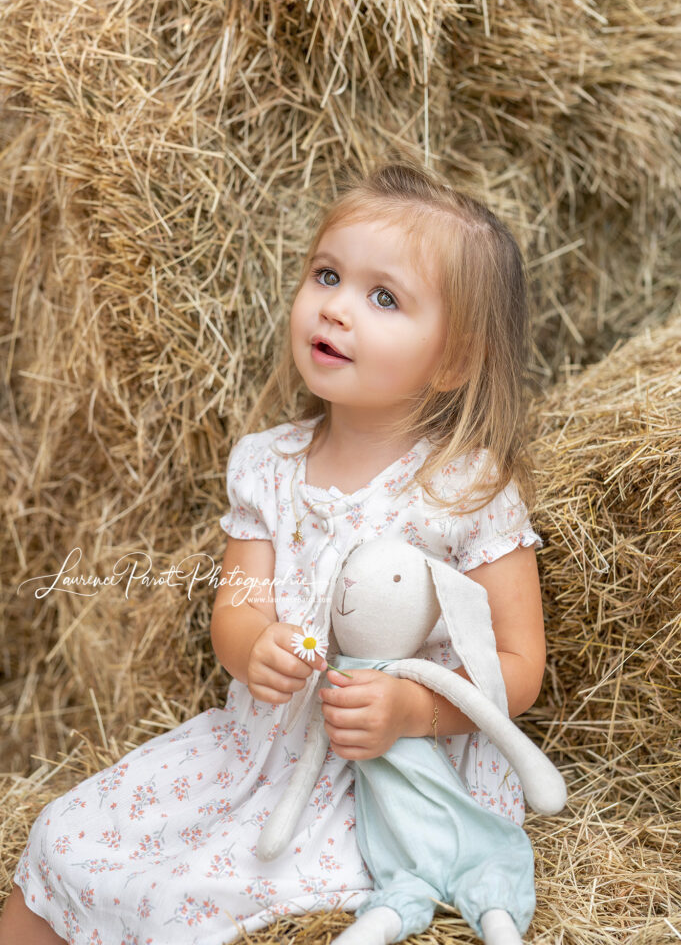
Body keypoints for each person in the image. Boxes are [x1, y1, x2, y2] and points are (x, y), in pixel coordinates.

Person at [1, 162, 546, 945]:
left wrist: (408, 710)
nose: (336, 307)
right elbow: (239, 609)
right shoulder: (268, 464)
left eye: (382, 297)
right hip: (258, 746)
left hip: (387, 777)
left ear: (454, 358)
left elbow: (516, 664)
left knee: (176, 906)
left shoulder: (466, 486)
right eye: (327, 275)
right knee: (63, 837)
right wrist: (257, 647)